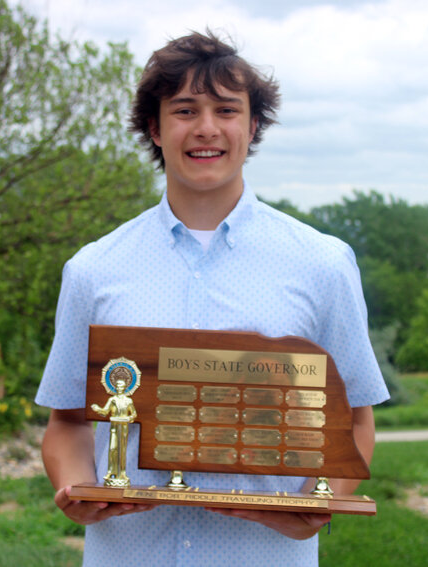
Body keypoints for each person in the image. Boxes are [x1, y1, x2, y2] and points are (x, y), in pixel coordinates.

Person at [36, 30, 390, 567]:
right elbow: (66, 423)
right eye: (184, 110)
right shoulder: (92, 269)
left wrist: (321, 502)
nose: (206, 128)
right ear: (154, 127)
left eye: (226, 109)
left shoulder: (324, 263)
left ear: (252, 127)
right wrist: (80, 488)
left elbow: (355, 420)